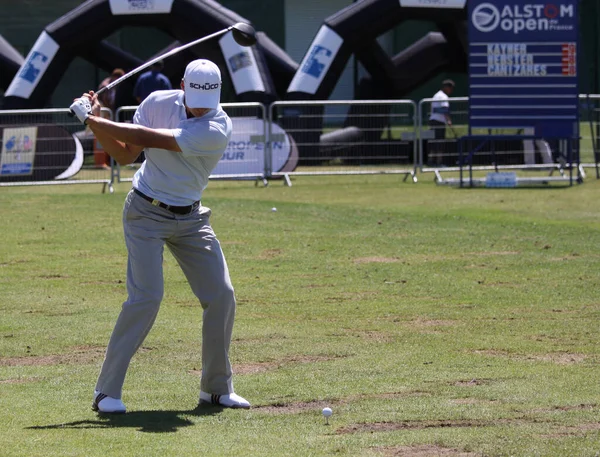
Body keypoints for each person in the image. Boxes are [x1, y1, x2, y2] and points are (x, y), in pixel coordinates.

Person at [70, 59, 250, 413]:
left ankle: (215, 388)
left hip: (192, 218)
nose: (201, 106)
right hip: (145, 212)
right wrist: (93, 122)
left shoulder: (216, 127)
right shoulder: (156, 103)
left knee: (222, 295)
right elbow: (124, 153)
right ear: (183, 85)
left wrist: (90, 118)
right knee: (146, 297)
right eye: (196, 96)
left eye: (208, 99)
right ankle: (106, 392)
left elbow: (147, 138)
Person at [428, 79, 455, 166]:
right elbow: (445, 109)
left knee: (433, 142)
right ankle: (439, 162)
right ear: (446, 87)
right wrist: (449, 121)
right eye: (451, 88)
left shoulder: (436, 95)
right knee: (440, 143)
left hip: (432, 121)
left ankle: (431, 161)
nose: (451, 91)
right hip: (439, 122)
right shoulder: (443, 97)